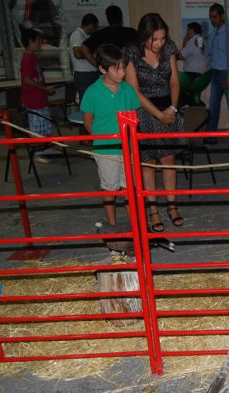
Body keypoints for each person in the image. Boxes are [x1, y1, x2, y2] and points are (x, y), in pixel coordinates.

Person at [125, 13, 185, 231]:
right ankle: (153, 210)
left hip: (168, 109)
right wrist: (158, 115)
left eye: (162, 38)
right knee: (148, 163)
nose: (159, 44)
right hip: (144, 113)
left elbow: (175, 82)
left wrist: (172, 108)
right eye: (155, 39)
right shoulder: (131, 52)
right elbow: (134, 90)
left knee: (169, 159)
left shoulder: (169, 48)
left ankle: (172, 206)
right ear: (145, 36)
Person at [80, 44, 140, 227]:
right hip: (106, 149)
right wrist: (101, 138)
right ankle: (112, 225)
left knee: (129, 187)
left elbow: (134, 117)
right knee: (109, 188)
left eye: (123, 67)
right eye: (117, 69)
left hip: (128, 148)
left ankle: (134, 224)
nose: (122, 73)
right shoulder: (92, 92)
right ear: (102, 69)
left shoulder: (128, 90)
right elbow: (87, 121)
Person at [19, 26, 57, 162]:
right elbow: (27, 80)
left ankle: (46, 147)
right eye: (38, 41)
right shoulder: (27, 58)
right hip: (33, 99)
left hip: (40, 97)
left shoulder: (33, 57)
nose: (40, 43)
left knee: (45, 124)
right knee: (37, 127)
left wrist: (45, 89)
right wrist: (44, 88)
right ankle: (39, 152)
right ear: (30, 41)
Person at [205, 3, 229, 142]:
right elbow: (209, 52)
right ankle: (211, 136)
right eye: (211, 17)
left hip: (226, 72)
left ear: (222, 16)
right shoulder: (213, 33)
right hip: (215, 71)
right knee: (213, 105)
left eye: (215, 17)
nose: (213, 20)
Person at [69, 13, 99, 101]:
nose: (95, 29)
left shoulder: (88, 36)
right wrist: (89, 54)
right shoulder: (77, 34)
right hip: (83, 74)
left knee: (94, 100)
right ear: (90, 25)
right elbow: (77, 54)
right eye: (94, 27)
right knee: (86, 100)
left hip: (91, 73)